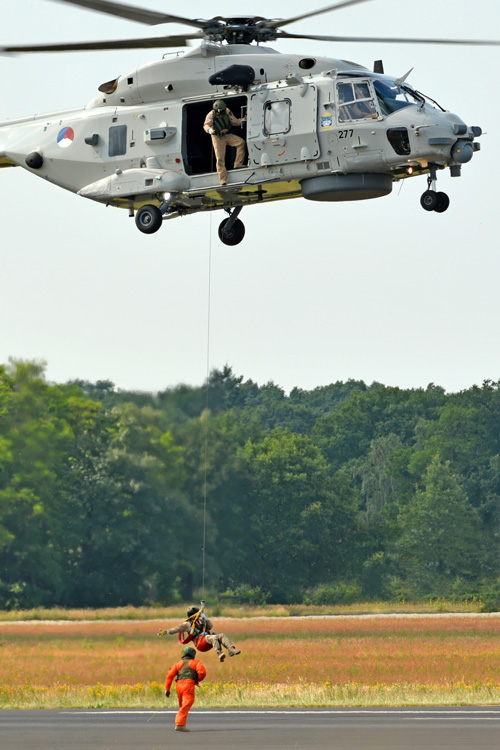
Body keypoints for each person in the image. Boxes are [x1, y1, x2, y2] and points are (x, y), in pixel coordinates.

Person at [159, 606, 242, 663]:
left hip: (208, 640)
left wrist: (205, 617)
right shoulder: (187, 624)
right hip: (200, 643)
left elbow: (210, 626)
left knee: (222, 635)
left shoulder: (201, 621)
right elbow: (176, 629)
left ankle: (231, 650)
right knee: (213, 637)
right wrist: (166, 632)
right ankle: (220, 653)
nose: (198, 616)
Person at [203, 99, 246, 185]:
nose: (220, 113)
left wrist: (243, 120)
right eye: (218, 111)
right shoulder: (211, 114)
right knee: (220, 159)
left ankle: (238, 164)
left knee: (241, 142)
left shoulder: (227, 111)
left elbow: (234, 122)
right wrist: (209, 130)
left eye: (221, 111)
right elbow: (206, 125)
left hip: (227, 134)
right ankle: (223, 179)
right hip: (217, 137)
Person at [165, 646, 206, 733]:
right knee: (186, 704)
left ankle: (181, 722)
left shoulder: (178, 664)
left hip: (179, 685)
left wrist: (167, 689)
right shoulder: (196, 663)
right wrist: (197, 679)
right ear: (193, 654)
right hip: (188, 685)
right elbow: (202, 672)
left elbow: (170, 675)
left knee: (183, 704)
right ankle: (179, 724)